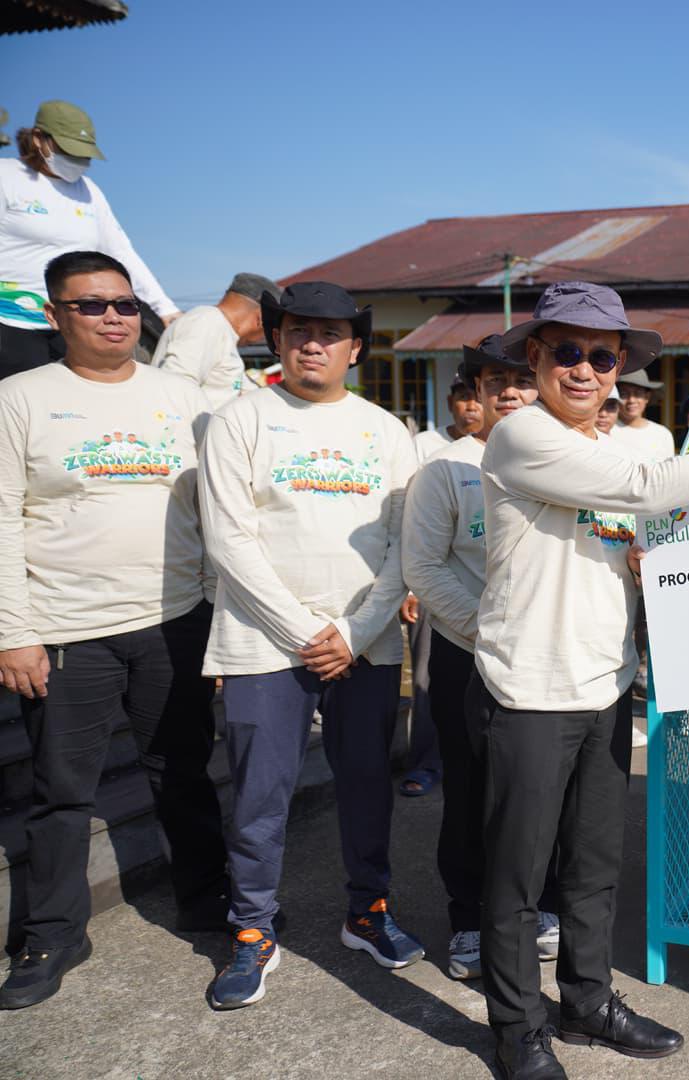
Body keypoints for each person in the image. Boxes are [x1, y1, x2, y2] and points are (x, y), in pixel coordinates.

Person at [472, 281, 689, 1080]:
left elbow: (658, 511)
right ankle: (517, 1028)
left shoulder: (613, 448)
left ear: (620, 369)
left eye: (603, 358)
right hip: (529, 691)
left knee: (594, 867)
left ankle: (588, 1001)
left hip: (604, 684)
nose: (585, 369)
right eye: (568, 352)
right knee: (518, 879)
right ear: (535, 356)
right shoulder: (523, 433)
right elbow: (647, 491)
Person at [0, 251, 227, 1010]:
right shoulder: (20, 398)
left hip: (174, 620)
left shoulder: (182, 397)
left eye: (125, 305)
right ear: (54, 314)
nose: (112, 317)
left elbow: (214, 510)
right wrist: (13, 631)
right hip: (66, 629)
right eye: (91, 305)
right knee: (61, 795)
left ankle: (207, 896)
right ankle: (54, 932)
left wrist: (217, 614)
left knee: (185, 772)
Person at [198, 281, 420, 1010]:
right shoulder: (240, 419)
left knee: (367, 786)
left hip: (365, 644)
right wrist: (305, 633)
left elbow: (405, 546)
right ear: (277, 340)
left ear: (355, 349)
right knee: (260, 796)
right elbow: (228, 538)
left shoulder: (386, 431)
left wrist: (352, 632)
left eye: (330, 333)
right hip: (264, 643)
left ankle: (368, 911)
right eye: (298, 331)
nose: (313, 344)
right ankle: (252, 928)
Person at [402, 334, 556, 983]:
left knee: (541, 792)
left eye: (522, 380)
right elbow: (424, 567)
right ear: (478, 393)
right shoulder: (446, 468)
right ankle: (468, 917)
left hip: (549, 657)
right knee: (468, 792)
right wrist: (488, 630)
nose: (511, 392)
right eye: (496, 382)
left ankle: (539, 906)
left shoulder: (567, 456)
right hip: (469, 655)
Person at [1, 102, 179, 381]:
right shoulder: (7, 176)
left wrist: (165, 308)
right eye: (68, 151)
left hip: (71, 324)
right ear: (38, 139)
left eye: (83, 154)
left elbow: (121, 252)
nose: (77, 160)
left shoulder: (89, 192)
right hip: (10, 323)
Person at [399, 380, 482, 797]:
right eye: (464, 398)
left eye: (477, 396)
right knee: (429, 680)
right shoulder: (428, 448)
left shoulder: (519, 449)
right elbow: (410, 523)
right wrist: (410, 590)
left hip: (492, 603)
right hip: (435, 589)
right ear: (450, 403)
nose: (473, 406)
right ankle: (427, 762)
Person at [150, 273, 282, 410]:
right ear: (261, 318)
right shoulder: (207, 322)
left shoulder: (222, 332)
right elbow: (175, 386)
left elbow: (250, 394)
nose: (265, 337)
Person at [611, 367, 676, 460]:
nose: (631, 400)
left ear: (647, 397)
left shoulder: (662, 434)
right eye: (624, 394)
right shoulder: (606, 430)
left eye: (637, 394)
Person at [414, 378, 483, 462]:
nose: (471, 407)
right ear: (450, 402)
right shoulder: (423, 444)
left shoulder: (495, 447)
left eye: (480, 398)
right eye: (464, 397)